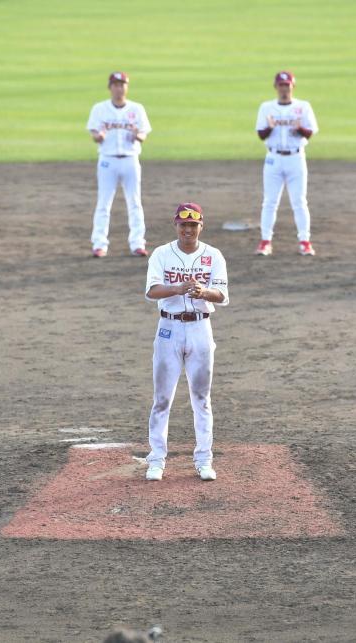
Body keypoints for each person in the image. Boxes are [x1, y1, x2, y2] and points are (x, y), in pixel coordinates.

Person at [144, 203, 229, 482]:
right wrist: (178, 288)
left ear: (201, 226)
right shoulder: (161, 254)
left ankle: (204, 459)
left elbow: (222, 295)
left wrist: (204, 292)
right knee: (162, 398)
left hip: (200, 329)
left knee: (202, 398)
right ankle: (156, 460)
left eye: (193, 225)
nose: (188, 230)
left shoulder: (213, 255)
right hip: (168, 328)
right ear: (176, 225)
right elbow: (152, 290)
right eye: (183, 225)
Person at [86, 71, 151, 258]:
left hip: (131, 160)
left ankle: (138, 244)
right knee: (104, 203)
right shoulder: (99, 109)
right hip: (108, 160)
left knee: (135, 202)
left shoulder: (137, 109)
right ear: (110, 87)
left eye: (122, 84)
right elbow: (95, 135)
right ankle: (99, 244)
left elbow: (143, 134)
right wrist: (100, 136)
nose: (119, 88)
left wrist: (138, 135)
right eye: (115, 84)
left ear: (126, 86)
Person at [254, 71, 318, 257]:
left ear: (292, 87)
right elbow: (261, 135)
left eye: (287, 85)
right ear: (276, 87)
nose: (284, 89)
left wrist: (299, 129)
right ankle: (265, 242)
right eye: (281, 86)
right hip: (273, 159)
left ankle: (304, 242)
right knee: (269, 202)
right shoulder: (266, 107)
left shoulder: (303, 107)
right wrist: (270, 127)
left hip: (296, 159)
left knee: (299, 202)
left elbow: (309, 133)